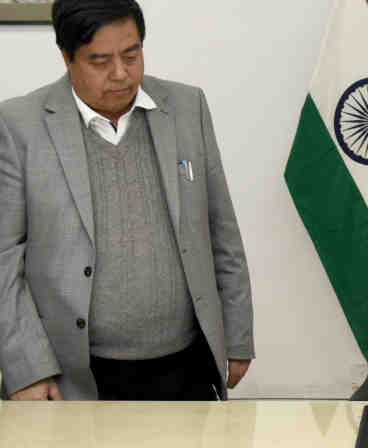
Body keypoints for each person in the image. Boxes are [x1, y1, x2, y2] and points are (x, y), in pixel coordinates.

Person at [0, 0, 254, 400]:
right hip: (78, 374)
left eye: (131, 55)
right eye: (100, 61)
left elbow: (221, 228)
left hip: (186, 364)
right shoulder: (20, 126)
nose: (121, 74)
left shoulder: (187, 108)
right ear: (67, 57)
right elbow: (4, 259)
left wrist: (237, 335)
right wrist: (27, 369)